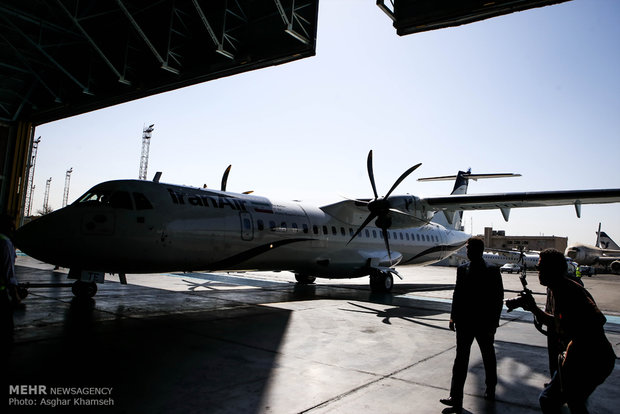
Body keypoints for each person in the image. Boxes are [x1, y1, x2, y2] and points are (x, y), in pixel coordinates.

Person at [521, 248, 615, 414]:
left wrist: (570, 355)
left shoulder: (568, 291)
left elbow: (594, 322)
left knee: (554, 400)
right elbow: (560, 323)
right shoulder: (558, 288)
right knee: (570, 402)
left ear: (554, 269)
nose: (537, 270)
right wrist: (534, 309)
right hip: (584, 357)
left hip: (592, 360)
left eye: (541, 267)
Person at [440, 237, 504, 413]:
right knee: (460, 360)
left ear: (478, 250)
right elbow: (457, 294)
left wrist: (494, 323)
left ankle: (490, 388)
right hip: (464, 322)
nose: (466, 251)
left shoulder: (492, 270)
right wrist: (453, 317)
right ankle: (455, 397)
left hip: (484, 323)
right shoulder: (462, 269)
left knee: (488, 357)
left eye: (469, 248)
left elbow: (498, 299)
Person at [0, 214, 20, 345]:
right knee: (6, 330)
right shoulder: (5, 243)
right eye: (12, 227)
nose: (14, 230)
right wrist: (15, 294)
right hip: (1, 294)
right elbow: (8, 272)